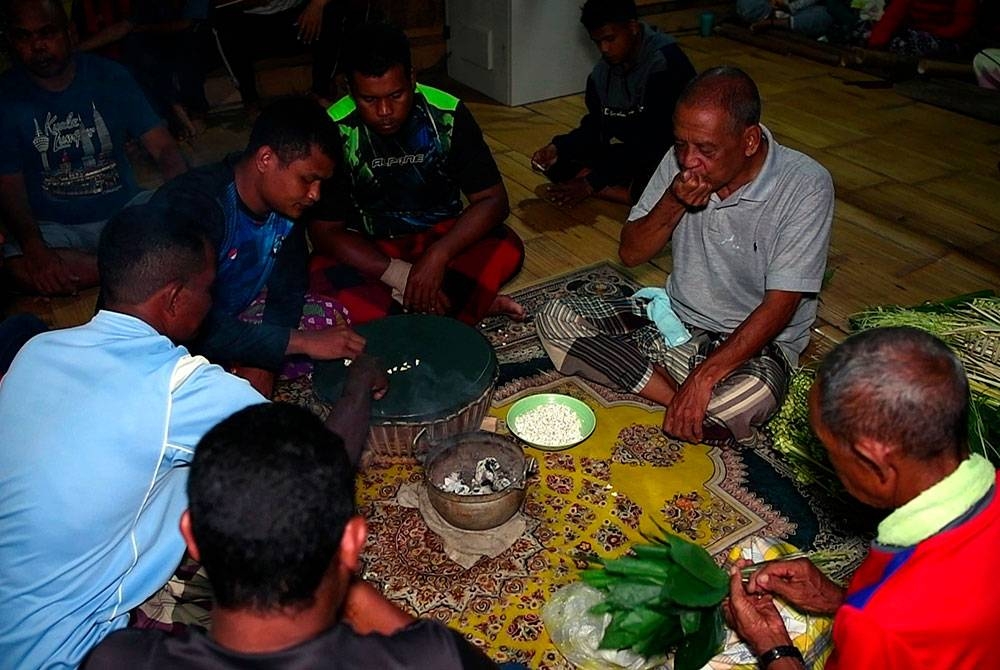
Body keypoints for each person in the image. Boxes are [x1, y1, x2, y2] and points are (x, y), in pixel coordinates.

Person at [0, 204, 385, 669]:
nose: (213, 302)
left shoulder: (35, 351)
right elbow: (315, 470)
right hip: (62, 652)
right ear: (175, 298)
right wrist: (361, 381)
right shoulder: (178, 387)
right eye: (209, 289)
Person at [535, 67, 834, 447]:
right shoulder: (681, 161)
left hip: (753, 346)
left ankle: (661, 382)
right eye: (680, 145)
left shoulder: (805, 184)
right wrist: (673, 200)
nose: (690, 161)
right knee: (555, 316)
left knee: (746, 399)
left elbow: (781, 305)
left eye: (706, 150)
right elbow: (631, 252)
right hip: (676, 320)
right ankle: (681, 400)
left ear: (750, 140)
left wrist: (706, 376)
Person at [81, 402, 497, 669]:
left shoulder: (117, 659)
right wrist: (356, 593)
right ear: (352, 543)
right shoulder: (432, 657)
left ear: (191, 536)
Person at [724, 326, 1000, 670]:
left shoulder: (878, 625)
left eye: (830, 452)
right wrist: (836, 599)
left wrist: (772, 645)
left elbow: (907, 625)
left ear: (874, 464)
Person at [308, 22, 525, 326]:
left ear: (412, 78)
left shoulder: (447, 113)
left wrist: (438, 256)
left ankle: (408, 315)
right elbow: (325, 232)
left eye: (396, 95)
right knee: (318, 275)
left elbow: (494, 200)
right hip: (372, 248)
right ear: (349, 88)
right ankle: (464, 305)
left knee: (505, 244)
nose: (384, 111)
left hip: (443, 238)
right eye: (369, 99)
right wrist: (400, 273)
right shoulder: (333, 129)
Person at [150, 96, 365, 397]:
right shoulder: (199, 207)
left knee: (331, 320)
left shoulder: (287, 208)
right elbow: (178, 319)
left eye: (321, 183)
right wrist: (294, 343)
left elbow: (288, 291)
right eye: (308, 179)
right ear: (266, 159)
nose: (315, 195)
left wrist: (265, 361)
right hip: (175, 332)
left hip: (233, 318)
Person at [0, 0, 187, 295]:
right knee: (17, 265)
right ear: (12, 41)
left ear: (70, 34)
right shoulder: (6, 96)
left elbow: (164, 148)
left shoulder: (110, 76)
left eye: (47, 33)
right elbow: (9, 185)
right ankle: (134, 268)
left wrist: (179, 200)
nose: (37, 46)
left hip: (123, 211)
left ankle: (115, 267)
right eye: (25, 37)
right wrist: (34, 244)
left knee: (193, 221)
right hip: (54, 228)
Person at [531, 0, 696, 207]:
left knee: (671, 176)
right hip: (631, 152)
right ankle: (629, 192)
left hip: (669, 152)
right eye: (597, 42)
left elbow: (657, 141)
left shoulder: (665, 65)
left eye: (610, 39)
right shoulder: (601, 74)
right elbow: (597, 128)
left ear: (633, 28)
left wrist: (591, 183)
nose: (604, 49)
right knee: (557, 164)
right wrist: (558, 147)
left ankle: (632, 194)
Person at [212, 0, 353, 109]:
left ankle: (320, 91)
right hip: (252, 20)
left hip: (296, 16)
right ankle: (251, 102)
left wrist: (317, 4)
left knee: (334, 9)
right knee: (224, 23)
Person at [866, 0, 977, 57]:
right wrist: (876, 42)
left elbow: (962, 26)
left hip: (945, 38)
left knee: (909, 44)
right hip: (914, 32)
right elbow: (892, 16)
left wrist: (934, 33)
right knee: (865, 29)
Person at [736, 0, 834, 39]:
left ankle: (774, 23)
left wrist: (788, 7)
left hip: (806, 10)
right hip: (773, 6)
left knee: (822, 15)